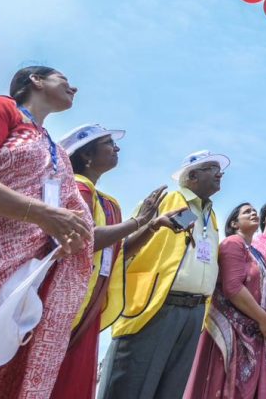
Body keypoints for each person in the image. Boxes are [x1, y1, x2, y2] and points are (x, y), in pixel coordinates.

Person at [0, 66, 93, 398]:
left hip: (17, 289)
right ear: (36, 81)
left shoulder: (58, 154)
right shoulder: (2, 110)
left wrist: (66, 238)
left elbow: (65, 215)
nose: (74, 88)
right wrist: (41, 213)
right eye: (65, 80)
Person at [51, 124, 170, 399]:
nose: (116, 148)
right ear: (87, 156)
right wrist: (138, 221)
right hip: (67, 299)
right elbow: (83, 239)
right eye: (108, 143)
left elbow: (116, 252)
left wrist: (151, 227)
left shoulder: (110, 203)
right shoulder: (77, 189)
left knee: (77, 378)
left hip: (93, 299)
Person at [98, 149, 229, 399]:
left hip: (194, 313)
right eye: (211, 168)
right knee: (130, 386)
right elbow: (125, 247)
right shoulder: (167, 201)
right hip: (155, 306)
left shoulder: (210, 216)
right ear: (192, 176)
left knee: (169, 390)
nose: (219, 173)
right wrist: (150, 223)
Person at [184, 203, 266, 398]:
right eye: (246, 211)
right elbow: (232, 287)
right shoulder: (233, 243)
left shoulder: (256, 254)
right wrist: (264, 319)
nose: (253, 212)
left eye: (254, 210)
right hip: (229, 332)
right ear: (234, 223)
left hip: (253, 331)